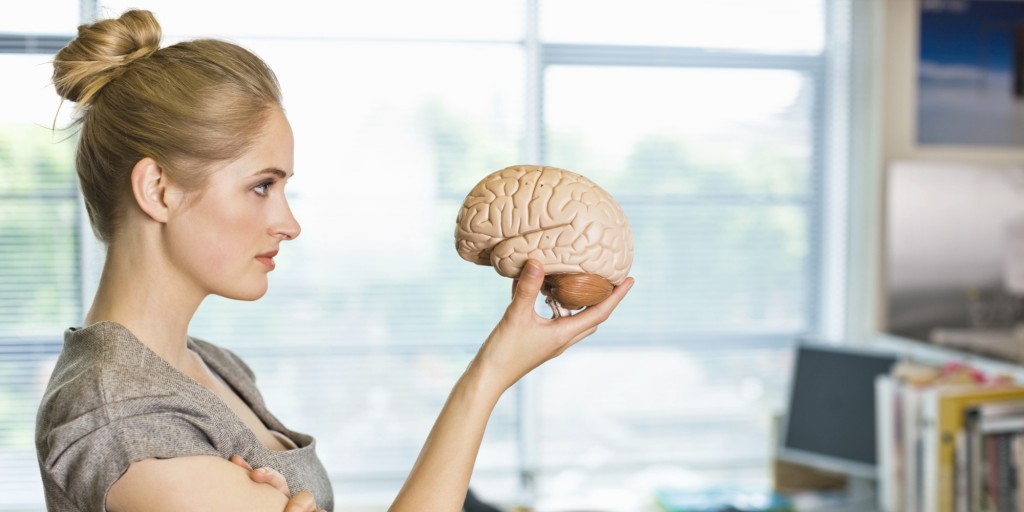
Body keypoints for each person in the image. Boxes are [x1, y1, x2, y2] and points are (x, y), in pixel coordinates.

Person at [34, 8, 633, 512]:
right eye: (262, 186)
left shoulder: (211, 366)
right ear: (158, 190)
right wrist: (490, 375)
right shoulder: (124, 422)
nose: (289, 223)